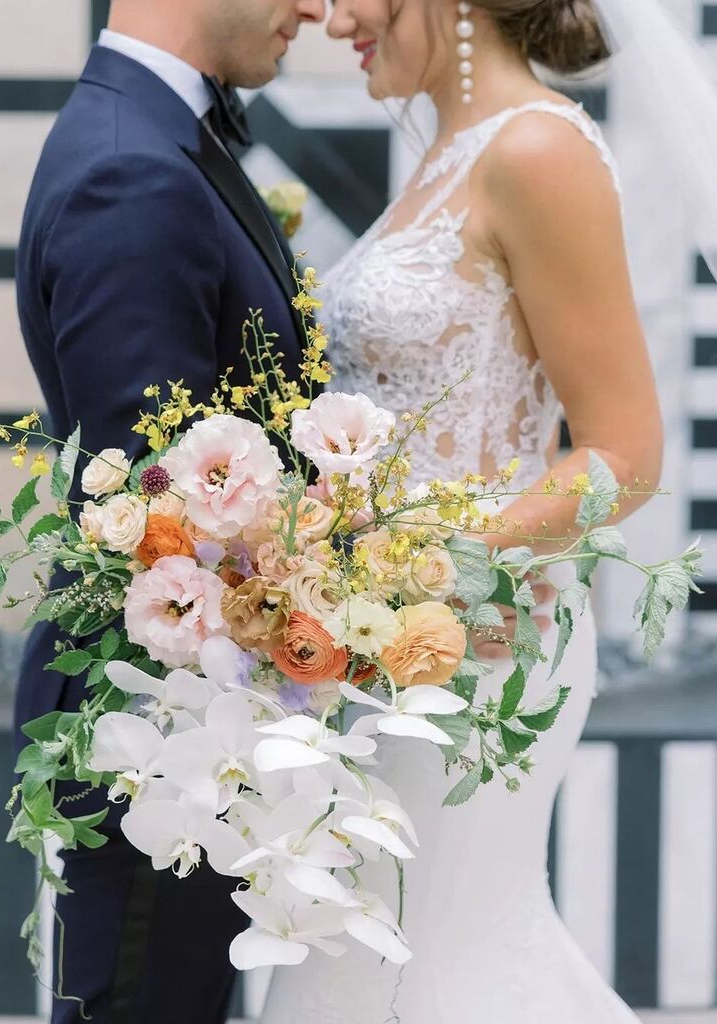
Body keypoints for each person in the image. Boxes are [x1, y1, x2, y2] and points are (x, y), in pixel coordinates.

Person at [260, 0, 664, 1021]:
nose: (334, 16)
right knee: (358, 955)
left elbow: (626, 453)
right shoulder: (444, 155)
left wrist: (425, 559)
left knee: (430, 958)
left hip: (483, 635)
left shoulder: (538, 150)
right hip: (376, 638)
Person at [15, 1, 325, 1021]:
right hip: (160, 735)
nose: (318, 8)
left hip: (198, 727)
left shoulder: (159, 134)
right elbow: (155, 523)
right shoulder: (130, 173)